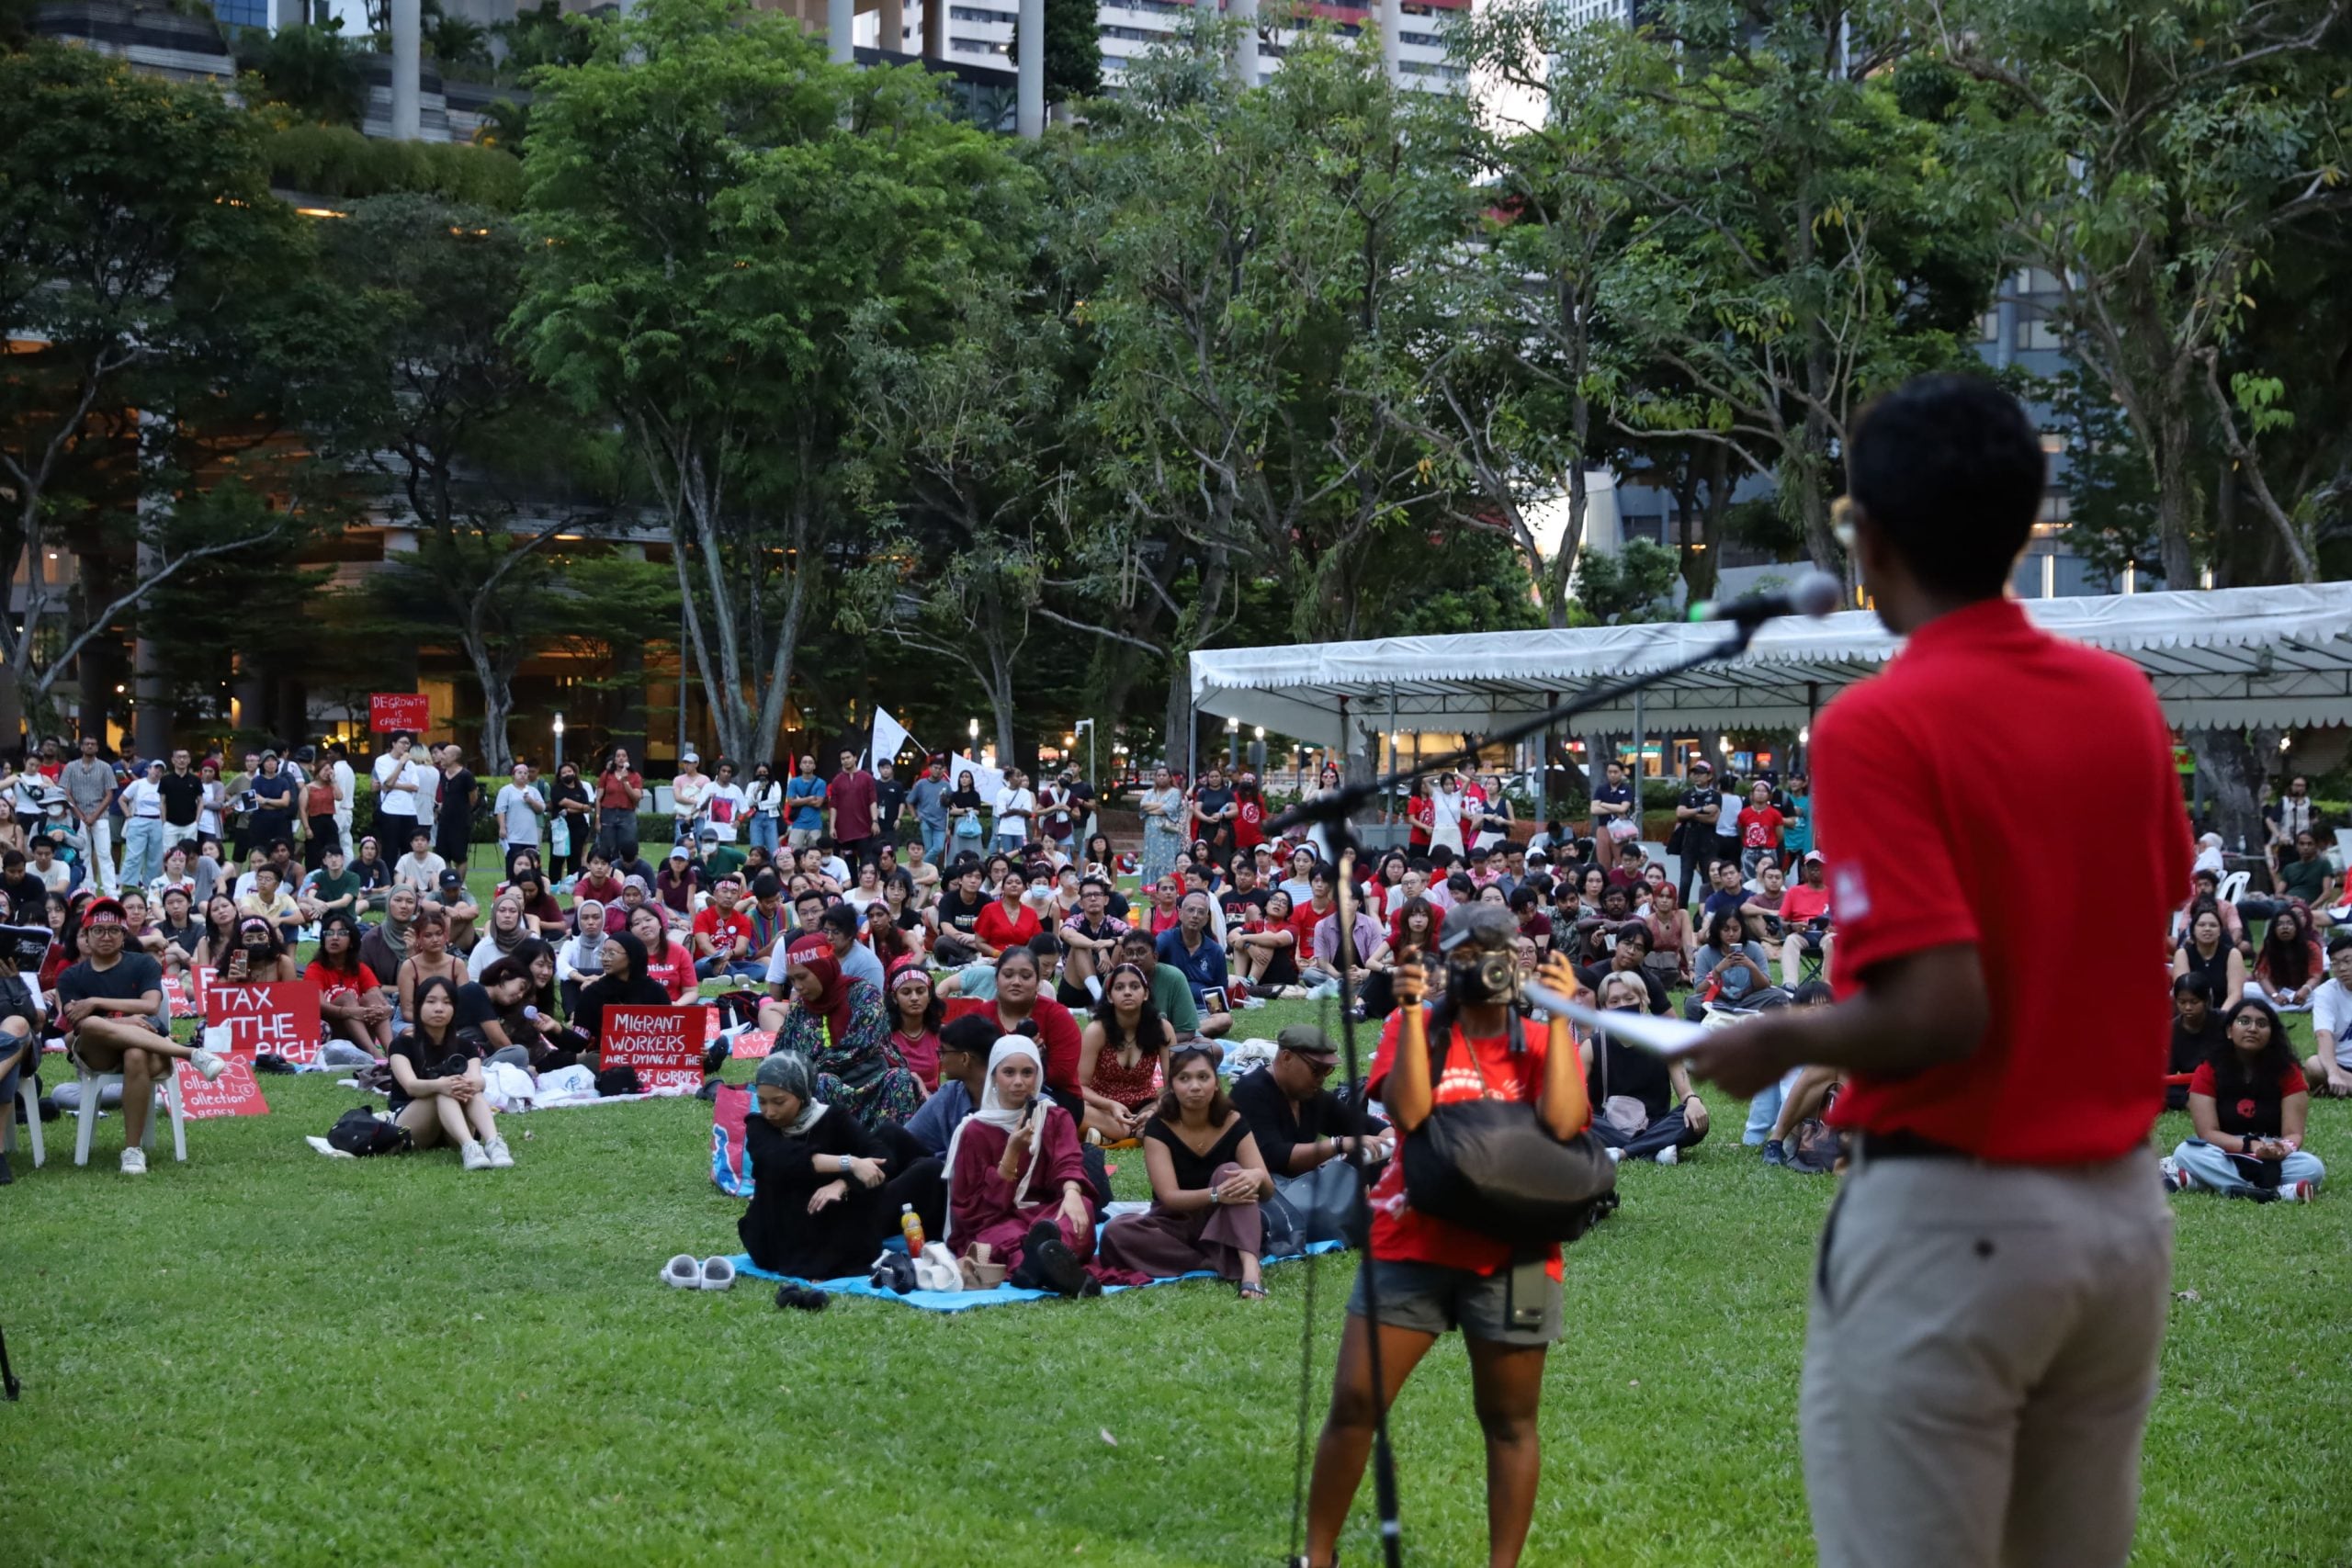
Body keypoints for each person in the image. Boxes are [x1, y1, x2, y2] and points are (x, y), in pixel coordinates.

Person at [1679, 374, 2186, 1568]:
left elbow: (1941, 1008)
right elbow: (2146, 904)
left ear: (1869, 540)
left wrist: (1780, 1038)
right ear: (2021, 526)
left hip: (1956, 1223)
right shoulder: (2122, 699)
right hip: (2120, 1220)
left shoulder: (1878, 722)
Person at [1298, 908, 1590, 1568]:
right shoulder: (1417, 1029)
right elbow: (1407, 1112)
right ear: (1445, 962)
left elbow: (1565, 1123)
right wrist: (1409, 1011)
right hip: (1411, 1240)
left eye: (1499, 954)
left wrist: (1560, 1017)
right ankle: (1316, 1556)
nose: (1485, 968)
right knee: (1355, 1402)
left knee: (1510, 1420)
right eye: (1468, 955)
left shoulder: (1538, 1039)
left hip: (1521, 1256)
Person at [54, 897, 231, 1173]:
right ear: (86, 935)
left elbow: (150, 1005)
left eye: (113, 930)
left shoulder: (143, 964)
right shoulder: (70, 976)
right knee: (90, 1025)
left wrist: (96, 1002)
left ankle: (133, 1150)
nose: (106, 937)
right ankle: (190, 1054)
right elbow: (77, 1020)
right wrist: (127, 1020)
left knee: (134, 1053)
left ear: (124, 934)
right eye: (98, 930)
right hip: (98, 1051)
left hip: (147, 1051)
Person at [736, 1049, 945, 1280]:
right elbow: (787, 1160)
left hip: (833, 1214)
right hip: (784, 1236)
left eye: (779, 1102)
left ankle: (943, 1215)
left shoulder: (832, 1118)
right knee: (929, 1170)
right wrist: (850, 1163)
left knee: (891, 1135)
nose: (769, 1112)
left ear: (802, 1095)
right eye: (762, 1101)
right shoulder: (759, 1127)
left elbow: (880, 1157)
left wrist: (842, 1184)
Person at [1097, 1043, 1274, 1294]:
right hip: (1174, 1224)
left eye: (1203, 1077)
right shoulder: (1159, 1127)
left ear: (1216, 1083)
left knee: (1231, 1171)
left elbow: (1267, 1191)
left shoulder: (1233, 1121)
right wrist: (1216, 1194)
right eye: (1184, 1078)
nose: (1195, 1086)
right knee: (1115, 1233)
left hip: (1226, 1219)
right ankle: (1210, 1260)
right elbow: (1169, 1197)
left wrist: (1257, 1176)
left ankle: (1250, 1270)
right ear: (1172, 1086)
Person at [944, 1035, 1100, 1296]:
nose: (1019, 1081)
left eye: (1027, 1072)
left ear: (1038, 1077)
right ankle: (1049, 1266)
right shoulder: (974, 1130)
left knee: (1080, 1210)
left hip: (1045, 1213)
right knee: (999, 1238)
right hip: (997, 1219)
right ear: (994, 1077)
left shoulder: (1054, 1117)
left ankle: (1034, 1265)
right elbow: (972, 1210)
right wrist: (1012, 1152)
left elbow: (1069, 1161)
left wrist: (1072, 1193)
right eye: (1009, 1072)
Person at [1229, 1024, 1390, 1250]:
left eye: (1328, 1071)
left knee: (1378, 1156)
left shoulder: (1309, 1094)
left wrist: (1391, 1143)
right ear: (1286, 1058)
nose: (1322, 1078)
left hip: (1306, 1189)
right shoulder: (1251, 1092)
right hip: (1270, 1195)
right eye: (1316, 1070)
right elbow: (1273, 1156)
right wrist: (1338, 1144)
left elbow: (1368, 1125)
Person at [2163, 997, 2323, 1201]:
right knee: (2185, 1152)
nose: (2252, 1029)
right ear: (2229, 1031)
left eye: (2261, 1024)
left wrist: (2281, 1149)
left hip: (2270, 1153)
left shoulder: (2288, 1072)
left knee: (2312, 1167)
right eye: (2244, 1021)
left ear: (2271, 1034)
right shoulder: (2208, 1070)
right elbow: (2208, 1132)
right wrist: (2249, 1146)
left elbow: (2293, 1133)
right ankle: (2276, 1192)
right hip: (2224, 1150)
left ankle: (2202, 1181)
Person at [767, 935, 921, 1128]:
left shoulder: (864, 994)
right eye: (792, 979)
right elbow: (780, 1054)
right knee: (821, 1083)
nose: (798, 986)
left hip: (870, 1083)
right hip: (821, 1089)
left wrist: (810, 1069)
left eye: (802, 977)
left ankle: (886, 1144)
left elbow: (862, 1047)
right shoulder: (799, 1009)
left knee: (901, 1080)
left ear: (822, 969)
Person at [386, 976, 513, 1170]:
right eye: (431, 1001)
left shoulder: (466, 1046)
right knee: (443, 1090)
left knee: (468, 1088)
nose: (439, 1008)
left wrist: (469, 1084)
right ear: (419, 1006)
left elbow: (479, 1081)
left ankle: (494, 1144)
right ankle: (470, 1147)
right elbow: (411, 1086)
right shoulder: (401, 1044)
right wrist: (441, 1084)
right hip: (412, 1125)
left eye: (447, 1002)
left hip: (453, 1128)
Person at [1584, 971, 1709, 1163]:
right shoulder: (1592, 1047)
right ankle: (1654, 1150)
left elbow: (1685, 1093)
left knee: (1694, 1118)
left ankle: (1621, 1153)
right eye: (1614, 1001)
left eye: (1629, 999)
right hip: (1608, 1126)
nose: (1622, 1005)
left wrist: (1693, 1101)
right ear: (1604, 1008)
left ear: (1643, 1002)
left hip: (1654, 1125)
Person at [1076, 962, 1173, 1144]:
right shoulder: (1097, 1031)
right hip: (1103, 1108)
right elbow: (1080, 1086)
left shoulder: (1162, 1028)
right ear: (1110, 996)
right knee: (1071, 1107)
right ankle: (1129, 1131)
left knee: (1184, 1105)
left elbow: (1173, 1085)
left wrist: (1155, 1110)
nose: (1127, 992)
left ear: (1145, 994)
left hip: (1146, 1107)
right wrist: (1110, 1105)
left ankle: (1115, 1133)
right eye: (1119, 987)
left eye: (1134, 986)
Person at [308, 910, 392, 1058]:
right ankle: (375, 1054)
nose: (334, 937)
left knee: (372, 999)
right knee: (347, 997)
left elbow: (380, 1000)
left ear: (352, 941)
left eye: (341, 933)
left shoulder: (360, 968)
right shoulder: (315, 968)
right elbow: (319, 1005)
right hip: (333, 1031)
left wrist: (383, 1010)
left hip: (361, 1029)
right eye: (329, 933)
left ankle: (392, 1053)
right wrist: (348, 1011)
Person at [1687, 908, 1791, 1021]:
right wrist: (1717, 970)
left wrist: (1752, 967)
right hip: (1718, 1001)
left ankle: (1734, 1016)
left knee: (1779, 996)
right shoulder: (1705, 952)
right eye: (1726, 930)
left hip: (1750, 1001)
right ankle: (1732, 1015)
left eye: (1735, 929)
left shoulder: (1754, 948)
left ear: (1742, 929)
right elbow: (1700, 990)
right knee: (1692, 1002)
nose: (1731, 934)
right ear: (1718, 930)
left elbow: (1765, 986)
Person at [1156, 891, 1232, 1038]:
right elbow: (1148, 962)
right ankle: (1185, 1035)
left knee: (1224, 1019)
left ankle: (1174, 1037)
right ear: (1180, 913)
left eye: (1201, 912)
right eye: (1191, 910)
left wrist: (1216, 1009)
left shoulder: (1215, 950)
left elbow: (1220, 990)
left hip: (1201, 1013)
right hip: (1169, 1009)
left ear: (1206, 919)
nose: (1195, 915)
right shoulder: (1166, 939)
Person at [62, 735, 119, 896]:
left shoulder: (105, 767)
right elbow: (66, 792)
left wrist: (94, 815)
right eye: (87, 744)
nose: (89, 746)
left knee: (105, 854)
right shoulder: (71, 767)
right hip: (78, 816)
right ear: (81, 747)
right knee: (83, 853)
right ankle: (88, 889)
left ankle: (110, 891)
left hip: (100, 816)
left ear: (97, 748)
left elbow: (110, 794)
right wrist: (79, 814)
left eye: (93, 744)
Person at [2301, 932, 2352, 1098]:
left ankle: (2338, 1088)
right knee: (2313, 1065)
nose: (2342, 968)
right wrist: (2333, 1073)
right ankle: (2338, 1084)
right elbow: (2323, 1035)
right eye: (2335, 963)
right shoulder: (2325, 992)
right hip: (2341, 1065)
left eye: (2347, 961)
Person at [1668, 758, 1722, 911]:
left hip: (1708, 842)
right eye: (1694, 773)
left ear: (1709, 776)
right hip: (1689, 842)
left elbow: (1713, 818)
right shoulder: (1686, 794)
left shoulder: (1715, 795)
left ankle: (1709, 910)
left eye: (1700, 773)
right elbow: (1680, 813)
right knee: (1685, 881)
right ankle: (1681, 912)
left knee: (1708, 879)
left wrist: (1690, 814)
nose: (1696, 776)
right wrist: (1701, 810)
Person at [2171, 902, 2245, 1012]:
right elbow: (2183, 992)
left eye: (2213, 925)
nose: (2207, 929)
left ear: (2220, 931)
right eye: (2201, 925)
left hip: (2225, 1013)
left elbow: (2235, 994)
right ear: (2193, 930)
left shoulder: (2233, 954)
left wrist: (2220, 1016)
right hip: (2191, 1013)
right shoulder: (2182, 954)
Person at [2247, 902, 2322, 1011]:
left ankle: (2273, 1008)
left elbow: (2315, 976)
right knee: (2246, 988)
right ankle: (2285, 1006)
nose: (2285, 927)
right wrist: (2274, 995)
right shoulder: (2269, 946)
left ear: (2296, 927)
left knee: (2320, 995)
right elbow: (2262, 975)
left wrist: (2305, 990)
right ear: (2274, 929)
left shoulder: (2311, 947)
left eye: (2290, 924)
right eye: (2280, 924)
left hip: (2303, 992)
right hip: (2275, 990)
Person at [2167, 972, 2225, 1111]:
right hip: (2190, 1085)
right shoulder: (2170, 1030)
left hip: (2222, 1080)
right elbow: (2168, 1075)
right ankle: (2194, 1102)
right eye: (2182, 1002)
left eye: (2194, 1002)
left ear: (2206, 1000)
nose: (2188, 1007)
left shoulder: (2224, 1022)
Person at [885, 959, 943, 1092]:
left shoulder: (941, 1034)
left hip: (933, 1100)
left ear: (929, 996)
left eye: (920, 991)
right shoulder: (883, 1036)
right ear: (894, 997)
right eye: (906, 992)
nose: (914, 998)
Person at [493, 762, 546, 879]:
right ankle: (512, 884)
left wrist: (531, 801)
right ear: (514, 775)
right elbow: (500, 810)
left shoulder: (533, 791)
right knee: (513, 864)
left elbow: (541, 809)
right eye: (520, 773)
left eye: (525, 773)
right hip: (513, 836)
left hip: (530, 836)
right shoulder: (506, 790)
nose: (523, 775)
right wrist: (502, 827)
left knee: (531, 864)